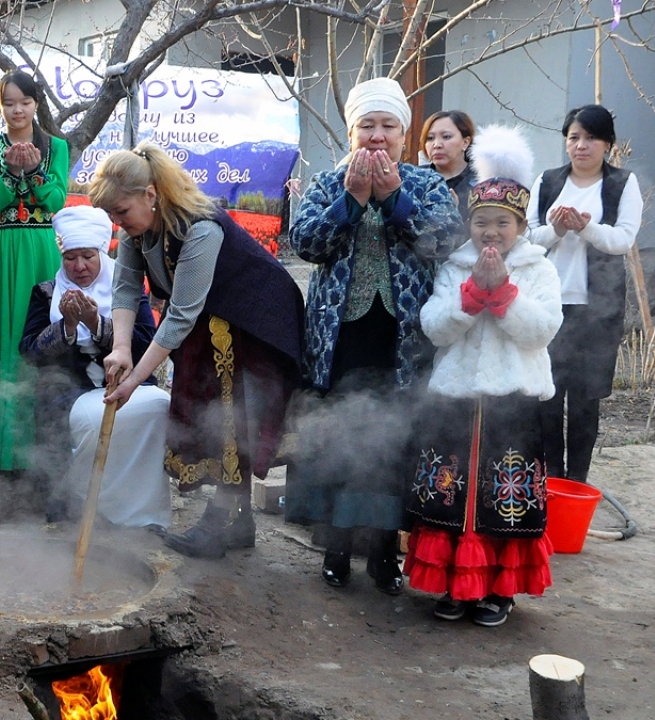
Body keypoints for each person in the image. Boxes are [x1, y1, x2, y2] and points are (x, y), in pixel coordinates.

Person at [286, 77, 464, 593]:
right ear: (351, 133)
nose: (378, 135)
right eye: (367, 126)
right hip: (340, 339)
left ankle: (385, 553)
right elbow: (306, 243)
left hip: (404, 340)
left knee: (393, 442)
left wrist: (392, 200)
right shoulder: (328, 182)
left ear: (405, 135)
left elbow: (445, 241)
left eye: (389, 126)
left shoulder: (427, 185)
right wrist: (351, 200)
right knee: (340, 438)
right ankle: (336, 548)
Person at [88, 142, 304, 559]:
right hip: (209, 319)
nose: (117, 222)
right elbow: (127, 288)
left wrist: (135, 380)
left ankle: (218, 523)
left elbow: (181, 313)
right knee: (207, 404)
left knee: (231, 412)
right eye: (111, 214)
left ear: (151, 195)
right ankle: (240, 521)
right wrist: (121, 349)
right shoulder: (136, 230)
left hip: (255, 319)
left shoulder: (201, 228)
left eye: (121, 211)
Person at [405, 125, 561, 627]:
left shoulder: (538, 268)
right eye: (481, 223)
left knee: (503, 497)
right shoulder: (455, 267)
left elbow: (543, 330)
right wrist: (471, 297)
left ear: (521, 226)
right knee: (451, 493)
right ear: (469, 224)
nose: (490, 232)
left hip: (513, 398)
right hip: (456, 395)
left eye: (502, 223)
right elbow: (434, 326)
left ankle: (498, 591)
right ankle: (455, 584)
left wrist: (505, 294)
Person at [19, 206, 170, 529]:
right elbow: (29, 352)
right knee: (80, 417)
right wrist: (66, 327)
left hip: (125, 386)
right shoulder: (47, 293)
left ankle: (140, 512)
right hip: (67, 391)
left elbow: (146, 343)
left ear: (101, 252)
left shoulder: (126, 288)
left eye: (87, 256)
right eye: (70, 258)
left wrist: (96, 323)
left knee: (158, 405)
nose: (79, 266)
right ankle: (76, 511)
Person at [527, 104, 643, 483]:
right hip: (548, 306)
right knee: (546, 397)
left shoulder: (622, 183)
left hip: (597, 311)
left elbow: (623, 239)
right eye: (574, 137)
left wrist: (587, 228)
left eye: (591, 138)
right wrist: (558, 230)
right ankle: (549, 480)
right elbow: (528, 238)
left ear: (608, 143)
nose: (581, 145)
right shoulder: (547, 181)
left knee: (584, 402)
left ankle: (576, 481)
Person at [0, 70, 69, 472]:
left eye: (25, 102)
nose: (17, 110)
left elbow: (56, 200)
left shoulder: (56, 147)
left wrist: (35, 172)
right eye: (9, 103)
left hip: (41, 246)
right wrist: (11, 174)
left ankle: (42, 451)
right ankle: (3, 450)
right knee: (4, 336)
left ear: (36, 104)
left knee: (41, 336)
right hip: (1, 247)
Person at [421, 110, 478, 220]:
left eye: (446, 137)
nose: (437, 145)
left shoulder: (482, 180)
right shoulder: (414, 178)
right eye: (430, 138)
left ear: (465, 142)